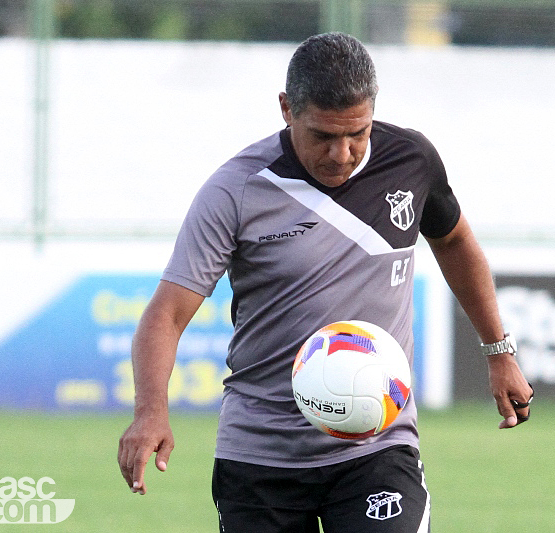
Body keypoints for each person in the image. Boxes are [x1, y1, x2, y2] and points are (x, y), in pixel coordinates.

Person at [118, 32, 533, 533]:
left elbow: (455, 242)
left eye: (357, 134)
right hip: (261, 454)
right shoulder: (237, 190)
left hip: (378, 447)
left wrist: (499, 351)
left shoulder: (411, 160)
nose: (342, 153)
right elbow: (166, 314)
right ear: (287, 109)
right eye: (323, 136)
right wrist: (150, 412)